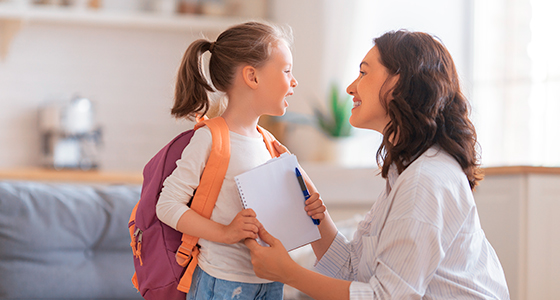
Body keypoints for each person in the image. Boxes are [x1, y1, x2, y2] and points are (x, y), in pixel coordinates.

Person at [245, 29, 511, 299]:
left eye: (363, 73)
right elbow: (351, 269)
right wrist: (313, 211)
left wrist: (287, 272)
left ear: (399, 83)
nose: (351, 87)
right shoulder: (406, 172)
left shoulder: (425, 180)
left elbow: (383, 296)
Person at [155, 21, 313, 300]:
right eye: (287, 71)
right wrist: (225, 233)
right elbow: (167, 206)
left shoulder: (269, 144)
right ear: (252, 77)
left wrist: (307, 208)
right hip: (223, 283)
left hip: (270, 279)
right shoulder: (210, 139)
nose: (294, 81)